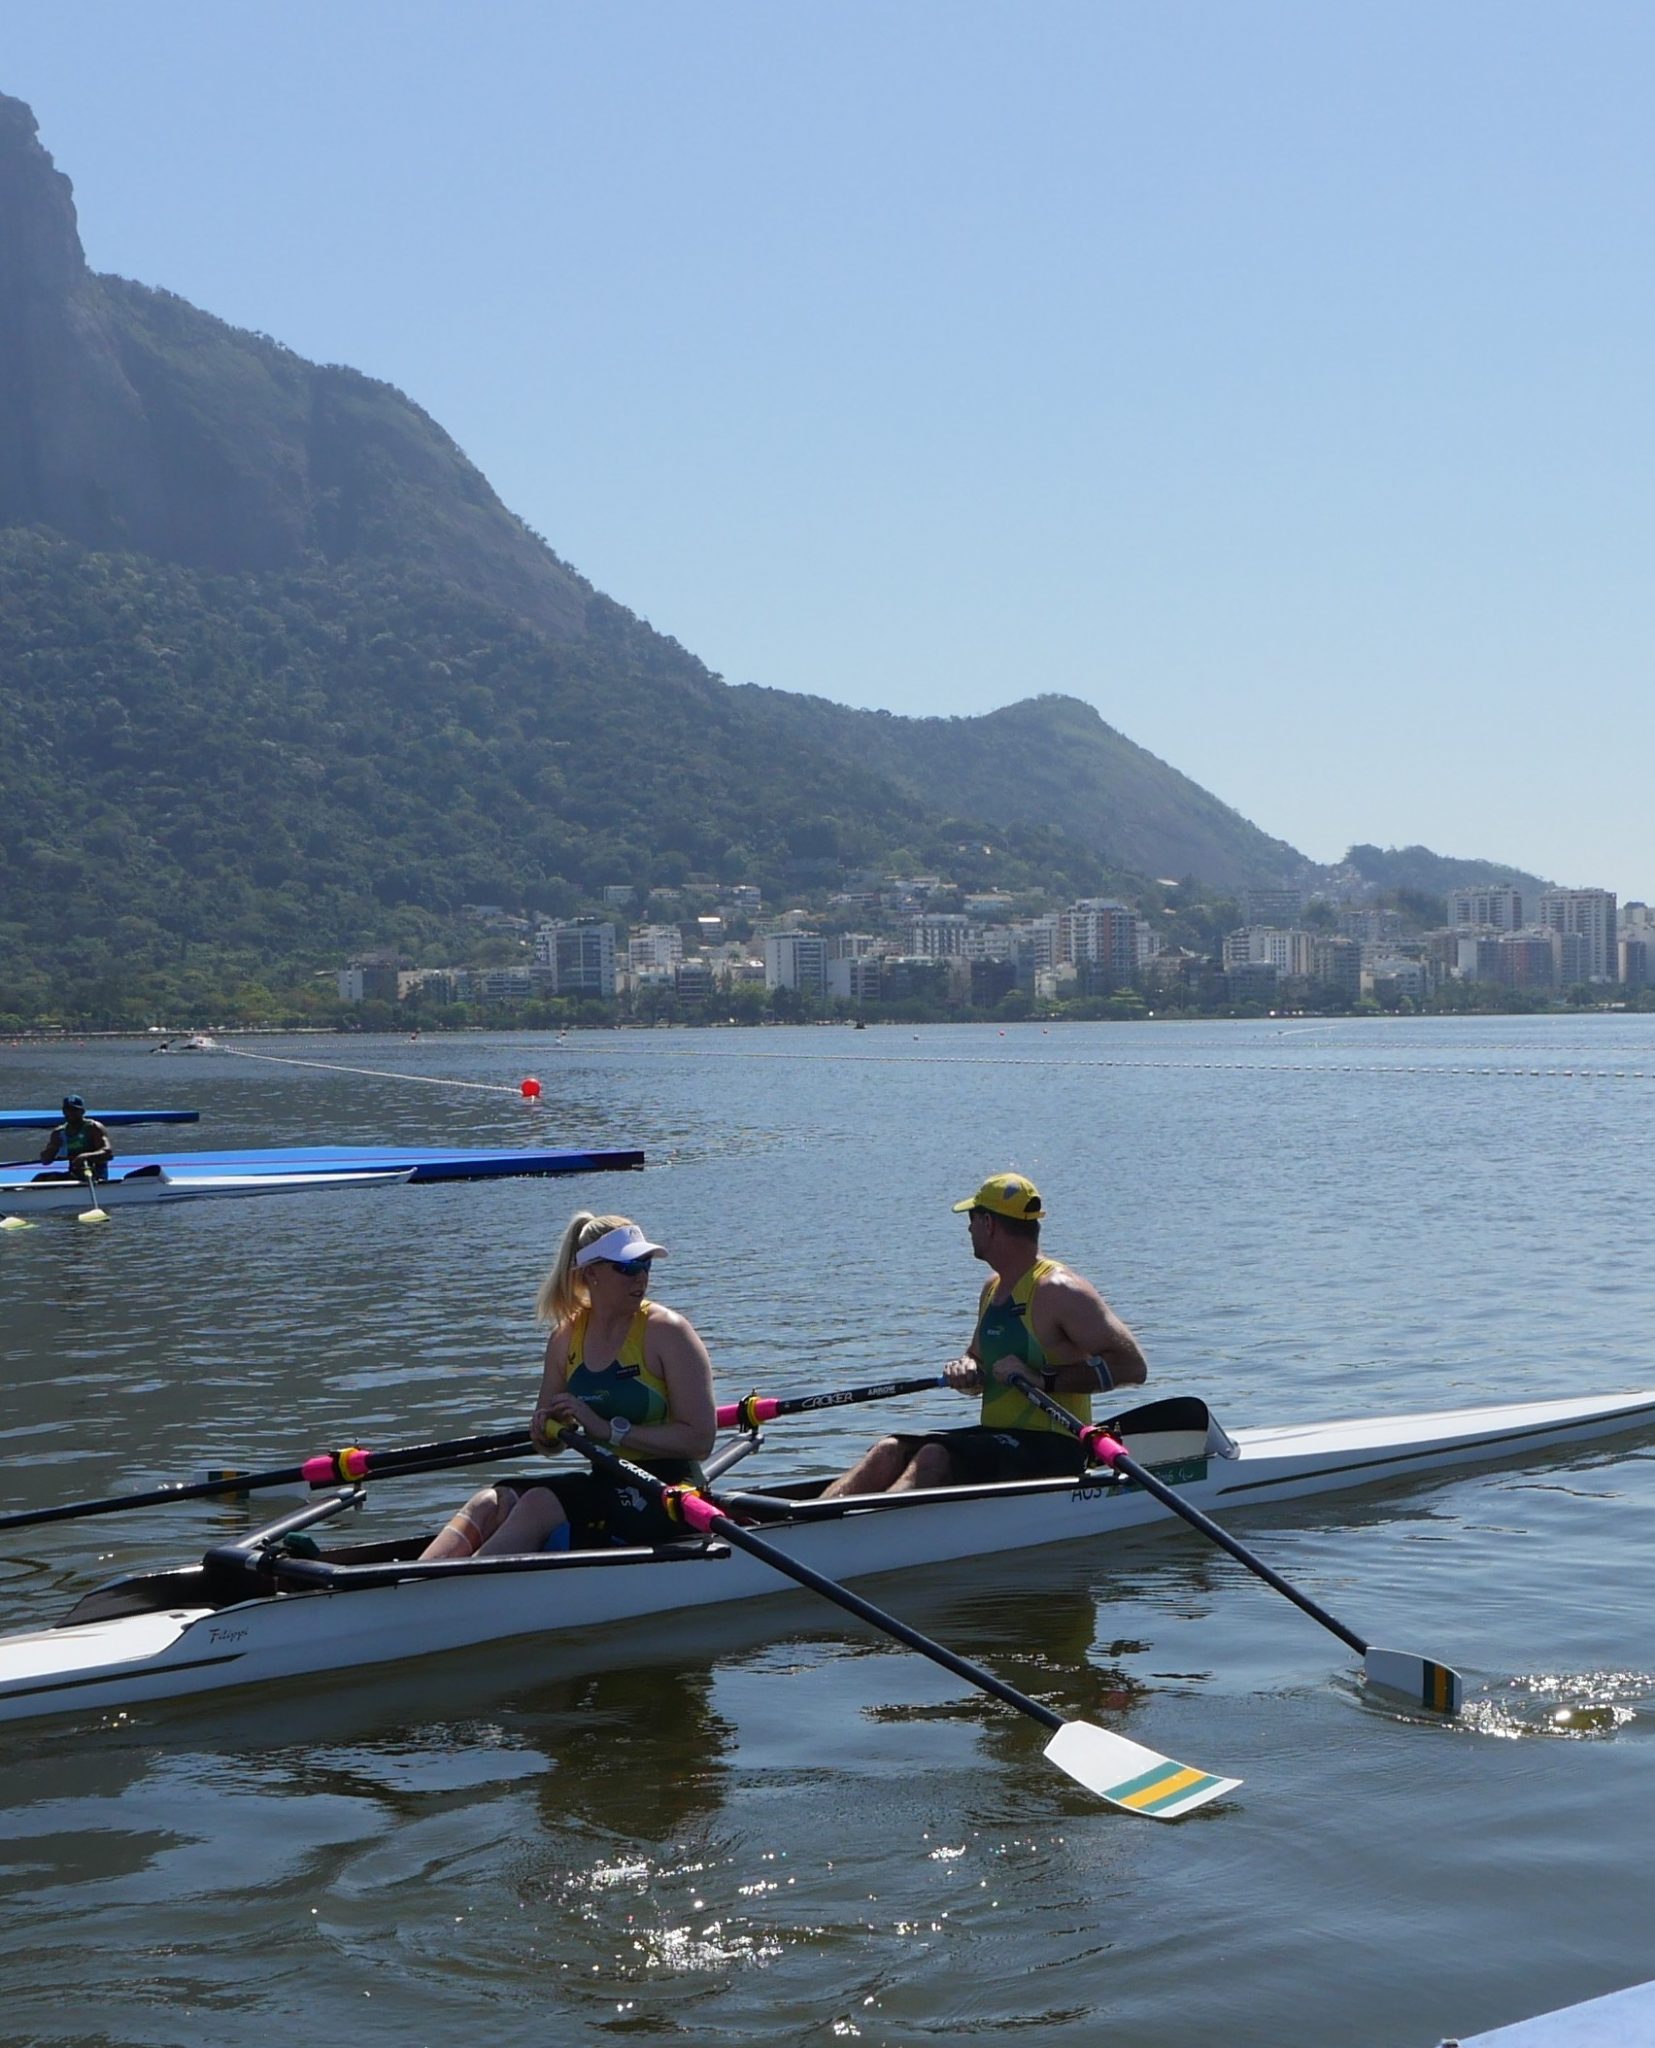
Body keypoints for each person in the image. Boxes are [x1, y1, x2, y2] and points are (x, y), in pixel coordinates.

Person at [820, 1172, 1147, 1497]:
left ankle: (866, 1538)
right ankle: (808, 1529)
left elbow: (1132, 1367)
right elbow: (978, 1360)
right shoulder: (993, 1289)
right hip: (999, 1440)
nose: (968, 1228)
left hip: (1055, 1448)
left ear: (989, 1223)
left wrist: (1041, 1378)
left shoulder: (1059, 1290)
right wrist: (965, 1368)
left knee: (933, 1456)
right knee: (888, 1449)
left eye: (972, 1219)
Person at [421, 1211, 718, 1559]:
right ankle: (411, 1583)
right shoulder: (565, 1339)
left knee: (539, 1504)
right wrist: (546, 1431)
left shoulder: (668, 1332)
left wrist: (609, 1430)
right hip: (606, 1483)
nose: (640, 1277)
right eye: (626, 1267)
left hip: (669, 1494)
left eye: (645, 1265)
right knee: (491, 1501)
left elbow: (700, 1439)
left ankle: (452, 1596)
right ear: (590, 1272)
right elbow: (548, 1442)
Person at [36, 1096, 115, 1182]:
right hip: (74, 1174)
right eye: (67, 1110)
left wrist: (85, 1157)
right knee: (41, 1178)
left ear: (82, 1111)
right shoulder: (59, 1132)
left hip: (95, 1175)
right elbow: (45, 1161)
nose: (70, 1113)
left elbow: (108, 1153)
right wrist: (53, 1148)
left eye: (74, 1110)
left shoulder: (93, 1128)